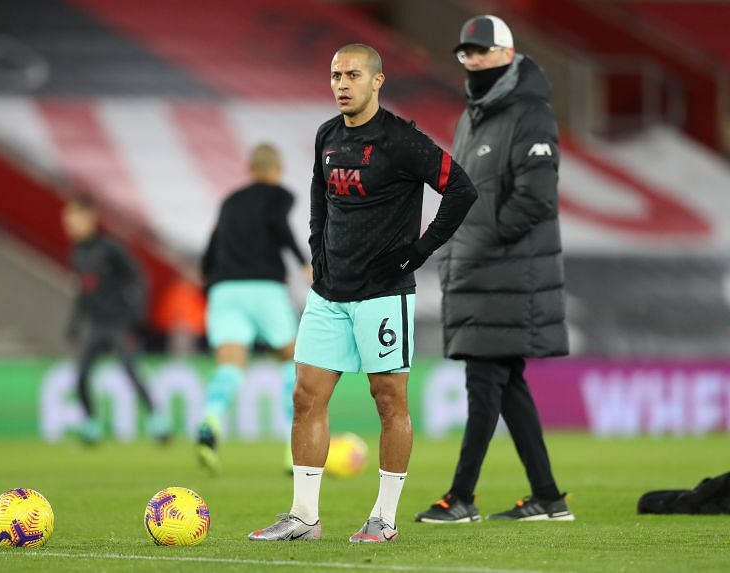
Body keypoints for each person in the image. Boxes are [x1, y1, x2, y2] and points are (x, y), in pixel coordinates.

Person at [249, 44, 478, 543]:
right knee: (306, 395)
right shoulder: (327, 136)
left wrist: (419, 253)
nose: (341, 84)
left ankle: (384, 517)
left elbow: (462, 189)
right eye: (335, 75)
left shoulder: (401, 140)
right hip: (330, 292)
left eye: (352, 74)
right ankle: (303, 517)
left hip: (382, 293)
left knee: (388, 399)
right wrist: (317, 253)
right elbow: (318, 199)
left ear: (377, 81)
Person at [414, 15, 573, 524]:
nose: (473, 60)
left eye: (482, 51)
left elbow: (536, 200)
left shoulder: (530, 114)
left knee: (486, 383)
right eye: (466, 52)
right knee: (506, 387)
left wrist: (478, 241)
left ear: (507, 54)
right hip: (481, 275)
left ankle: (461, 497)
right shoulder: (474, 117)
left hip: (506, 275)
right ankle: (548, 498)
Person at [196, 143, 312, 473]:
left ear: (250, 168)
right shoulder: (279, 196)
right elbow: (279, 225)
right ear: (276, 169)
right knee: (291, 364)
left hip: (225, 288)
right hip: (264, 287)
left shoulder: (229, 201)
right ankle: (294, 451)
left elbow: (213, 244)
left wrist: (209, 278)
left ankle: (211, 418)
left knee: (230, 366)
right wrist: (303, 262)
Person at [62, 195, 170, 443]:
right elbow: (84, 291)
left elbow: (140, 277)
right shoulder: (77, 252)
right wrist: (74, 323)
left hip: (119, 323)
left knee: (131, 371)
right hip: (96, 324)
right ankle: (91, 425)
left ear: (89, 218)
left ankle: (158, 422)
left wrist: (136, 314)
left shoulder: (109, 248)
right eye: (66, 219)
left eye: (73, 218)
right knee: (81, 375)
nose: (68, 224)